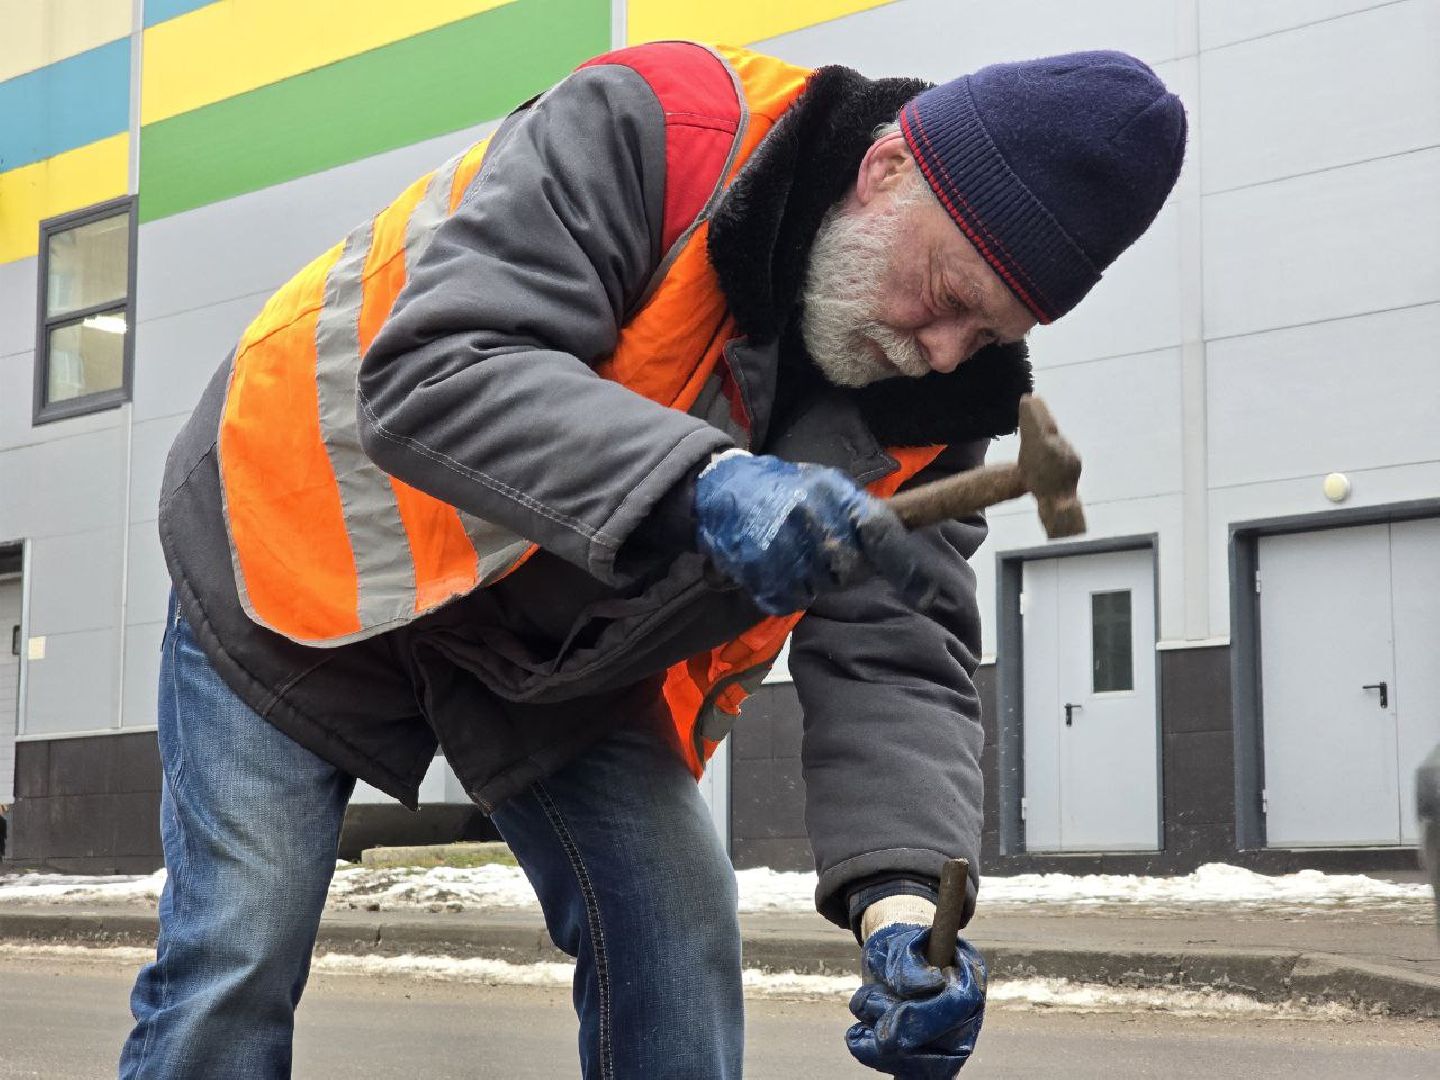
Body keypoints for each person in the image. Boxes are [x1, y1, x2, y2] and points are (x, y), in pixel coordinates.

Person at [119, 41, 1184, 1079]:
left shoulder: (938, 407)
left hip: (543, 653)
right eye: (951, 296)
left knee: (677, 934)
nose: (945, 350)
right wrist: (704, 485)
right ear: (886, 169)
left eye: (990, 334)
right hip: (300, 543)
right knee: (237, 955)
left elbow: (899, 657)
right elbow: (441, 367)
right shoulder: (661, 129)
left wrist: (904, 909)